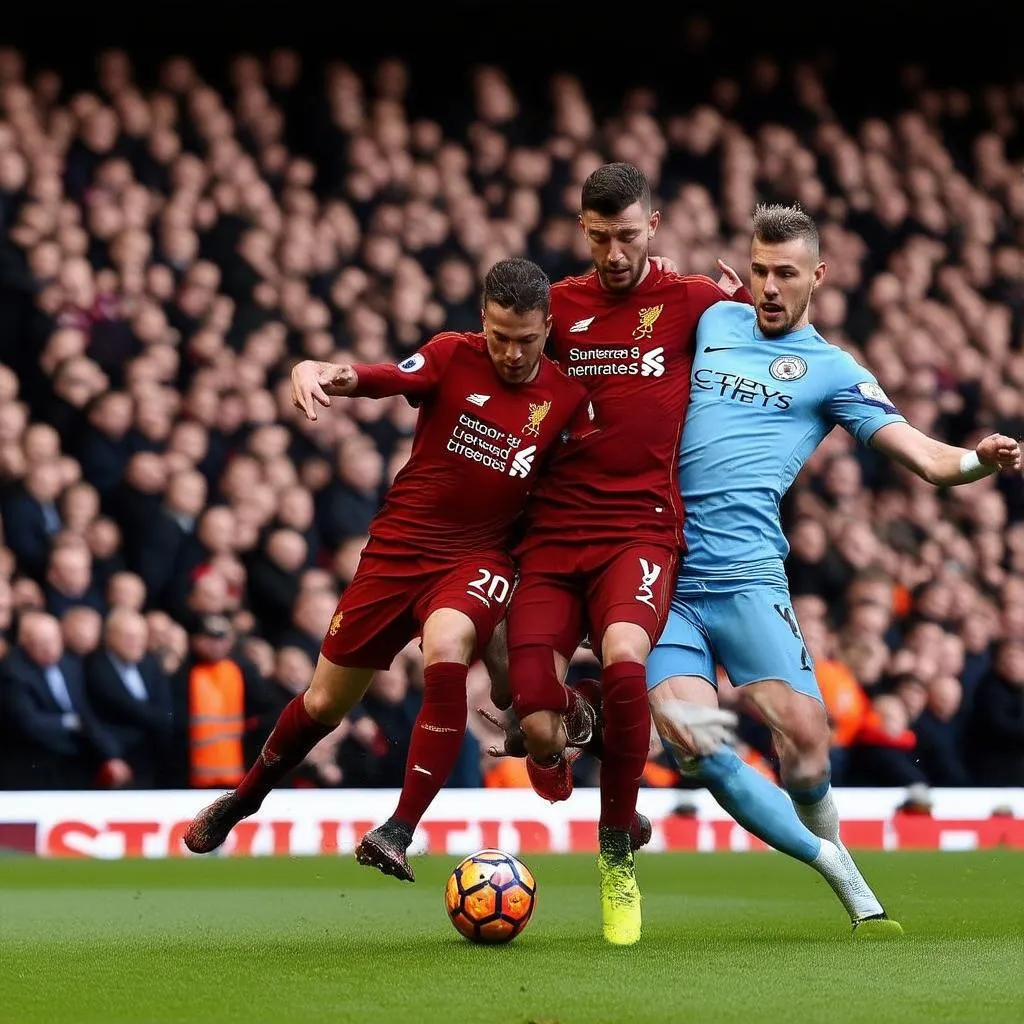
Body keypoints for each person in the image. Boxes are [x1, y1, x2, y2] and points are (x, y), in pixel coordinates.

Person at [647, 202, 1021, 935]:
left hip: (749, 579)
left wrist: (979, 458)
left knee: (808, 745)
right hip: (660, 578)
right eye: (758, 270)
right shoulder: (713, 320)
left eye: (786, 273)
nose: (769, 287)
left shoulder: (832, 371)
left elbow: (925, 457)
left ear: (819, 276)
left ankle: (825, 836)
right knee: (695, 736)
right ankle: (844, 876)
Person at [183, 257, 595, 874]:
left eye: (527, 339)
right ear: (483, 320)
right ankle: (242, 802)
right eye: (500, 336)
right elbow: (376, 377)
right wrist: (321, 371)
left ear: (547, 327)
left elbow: (588, 487)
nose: (511, 352)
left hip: (478, 558)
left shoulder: (565, 398)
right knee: (323, 705)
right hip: (396, 554)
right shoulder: (453, 355)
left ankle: (400, 828)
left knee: (448, 644)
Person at [501, 162, 748, 945]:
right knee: (536, 722)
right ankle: (559, 737)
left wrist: (755, 299)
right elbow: (490, 360)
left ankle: (616, 856)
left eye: (629, 235)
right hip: (551, 532)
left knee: (624, 658)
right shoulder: (557, 308)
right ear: (583, 228)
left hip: (639, 528)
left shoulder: (692, 300)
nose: (614, 253)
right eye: (601, 236)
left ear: (657, 224)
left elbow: (775, 335)